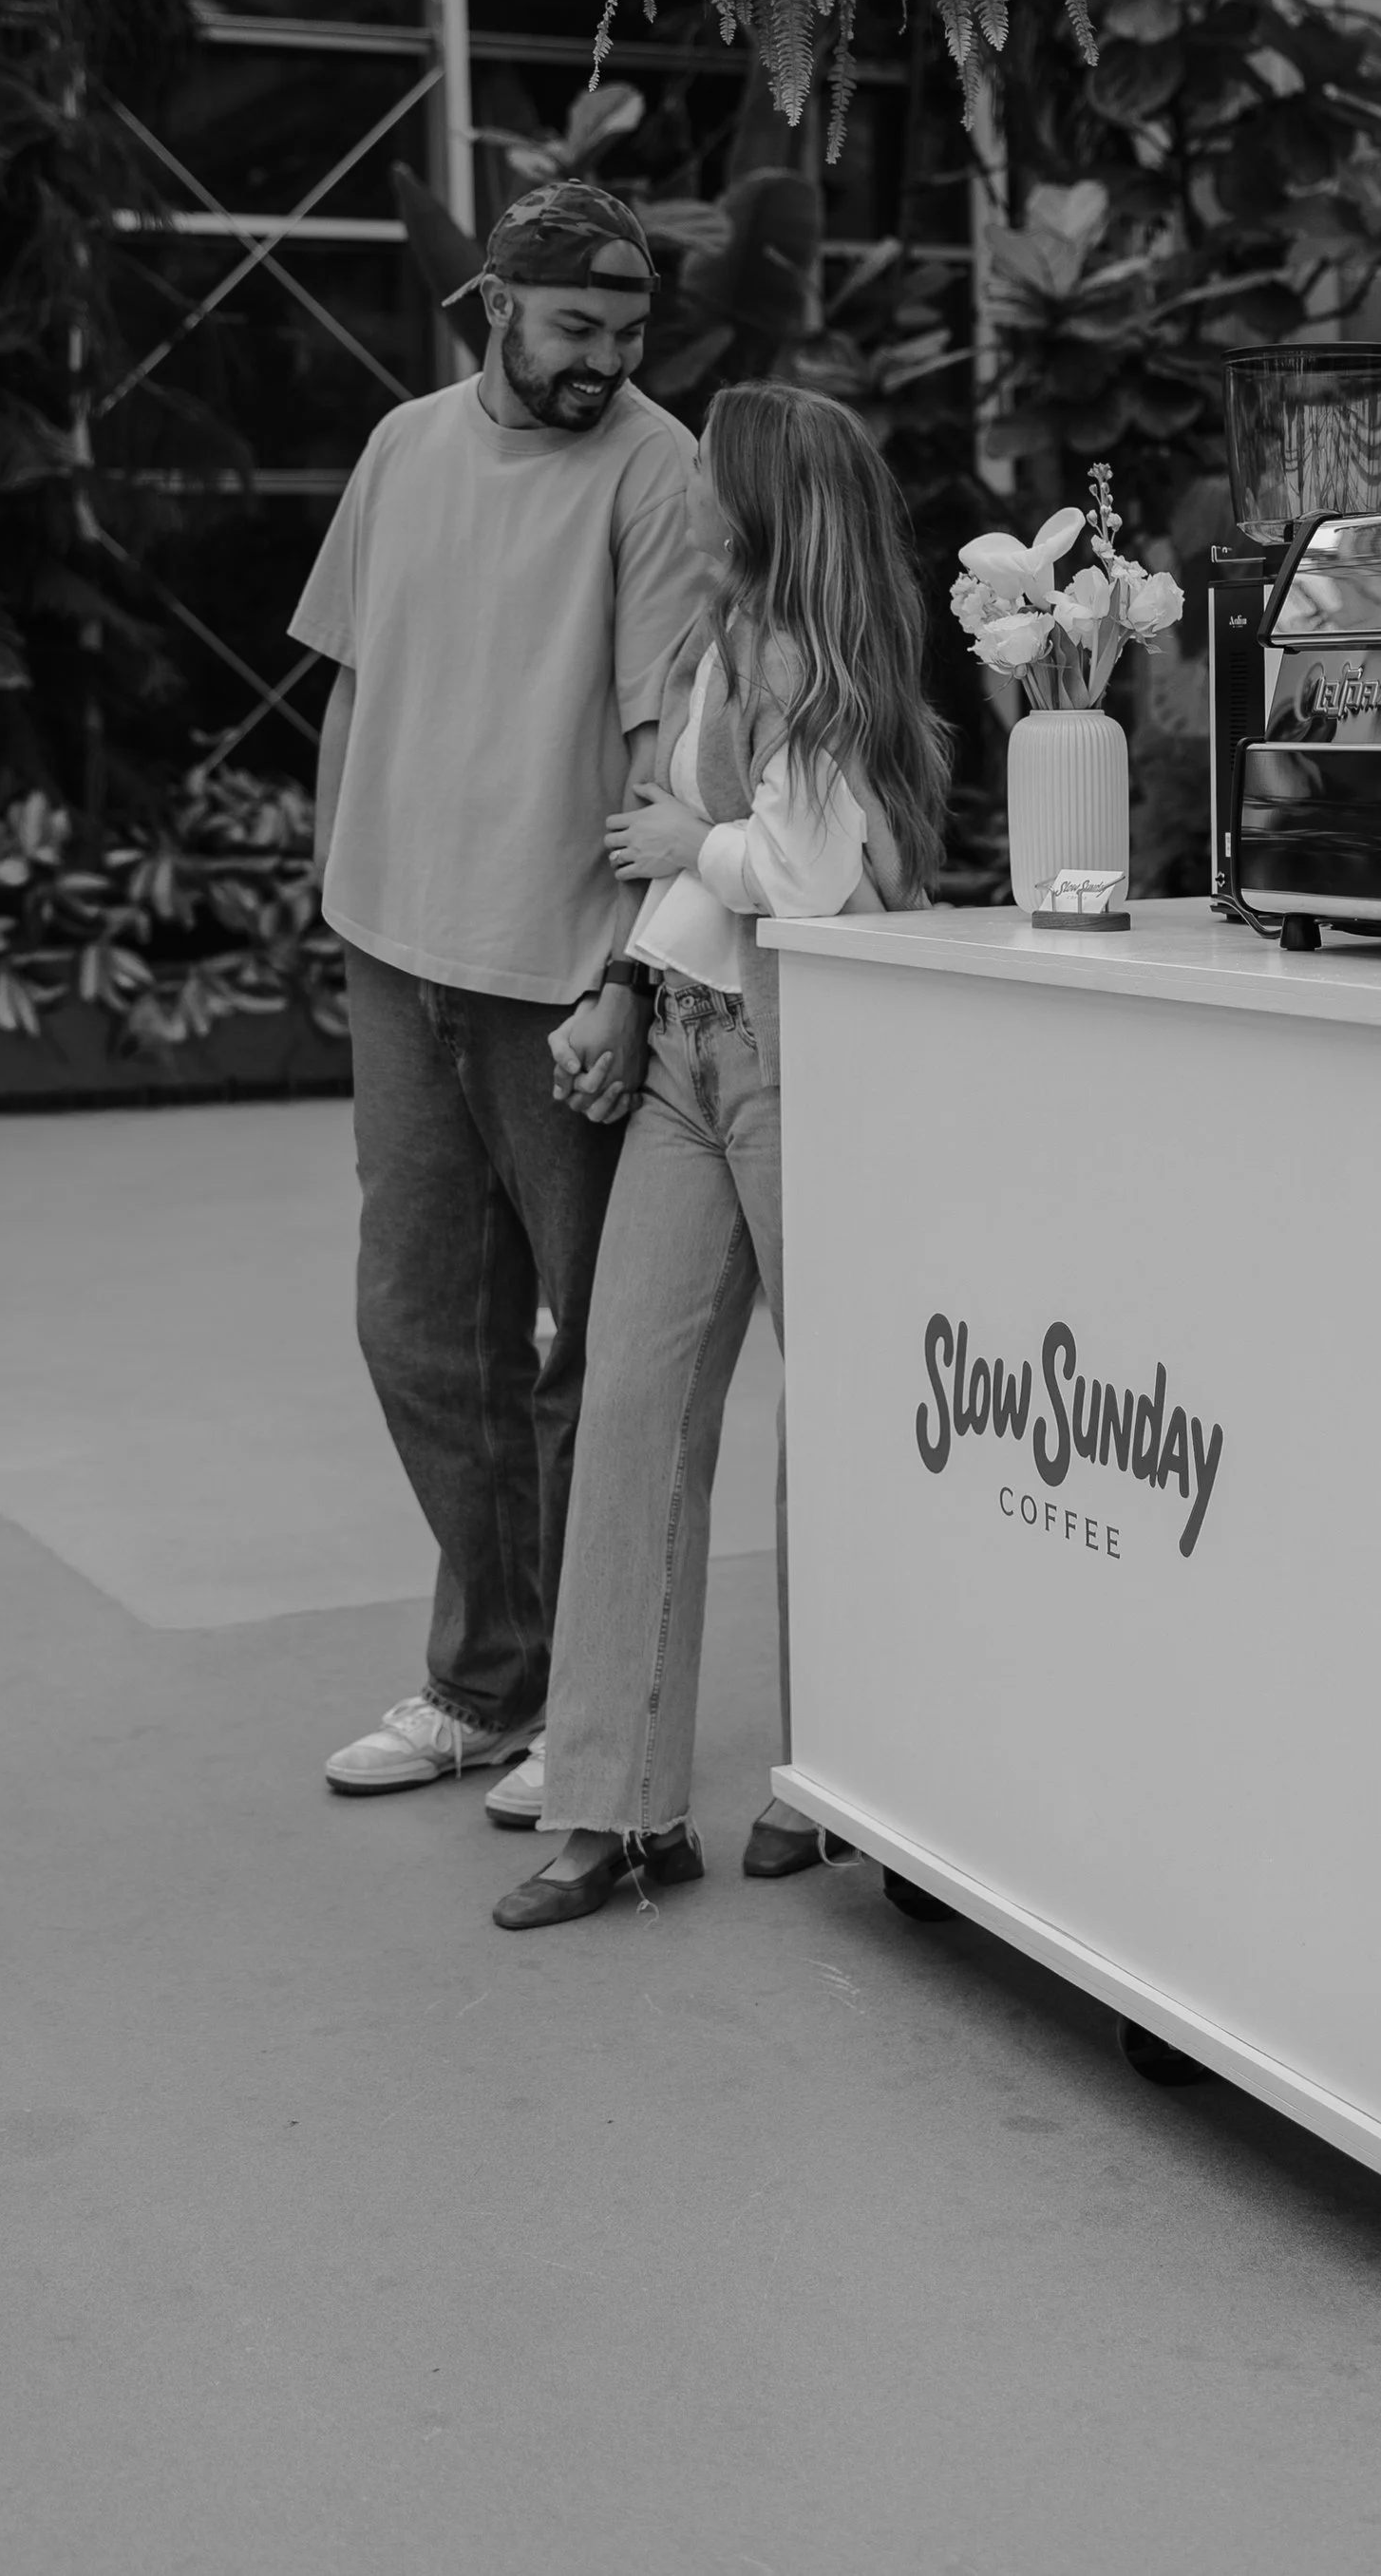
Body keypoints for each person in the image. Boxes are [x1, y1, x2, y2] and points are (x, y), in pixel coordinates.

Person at [490, 381, 950, 1927]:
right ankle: (616, 1802)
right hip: (698, 1032)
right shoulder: (721, 640)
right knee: (630, 1395)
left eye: (710, 471)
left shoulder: (809, 659)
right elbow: (718, 864)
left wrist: (690, 850)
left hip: (801, 1045)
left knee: (833, 1412)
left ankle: (845, 1773)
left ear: (760, 496)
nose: (686, 487)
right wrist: (626, 976)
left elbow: (804, 876)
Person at [293, 182, 704, 1802]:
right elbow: (348, 678)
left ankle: (587, 1716)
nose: (605, 360)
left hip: (557, 976)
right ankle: (487, 1684)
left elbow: (655, 748)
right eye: (577, 330)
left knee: (592, 1351)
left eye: (629, 334)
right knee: (415, 1327)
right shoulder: (402, 449)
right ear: (495, 308)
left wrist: (624, 977)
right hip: (397, 954)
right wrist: (337, 891)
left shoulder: (655, 470)